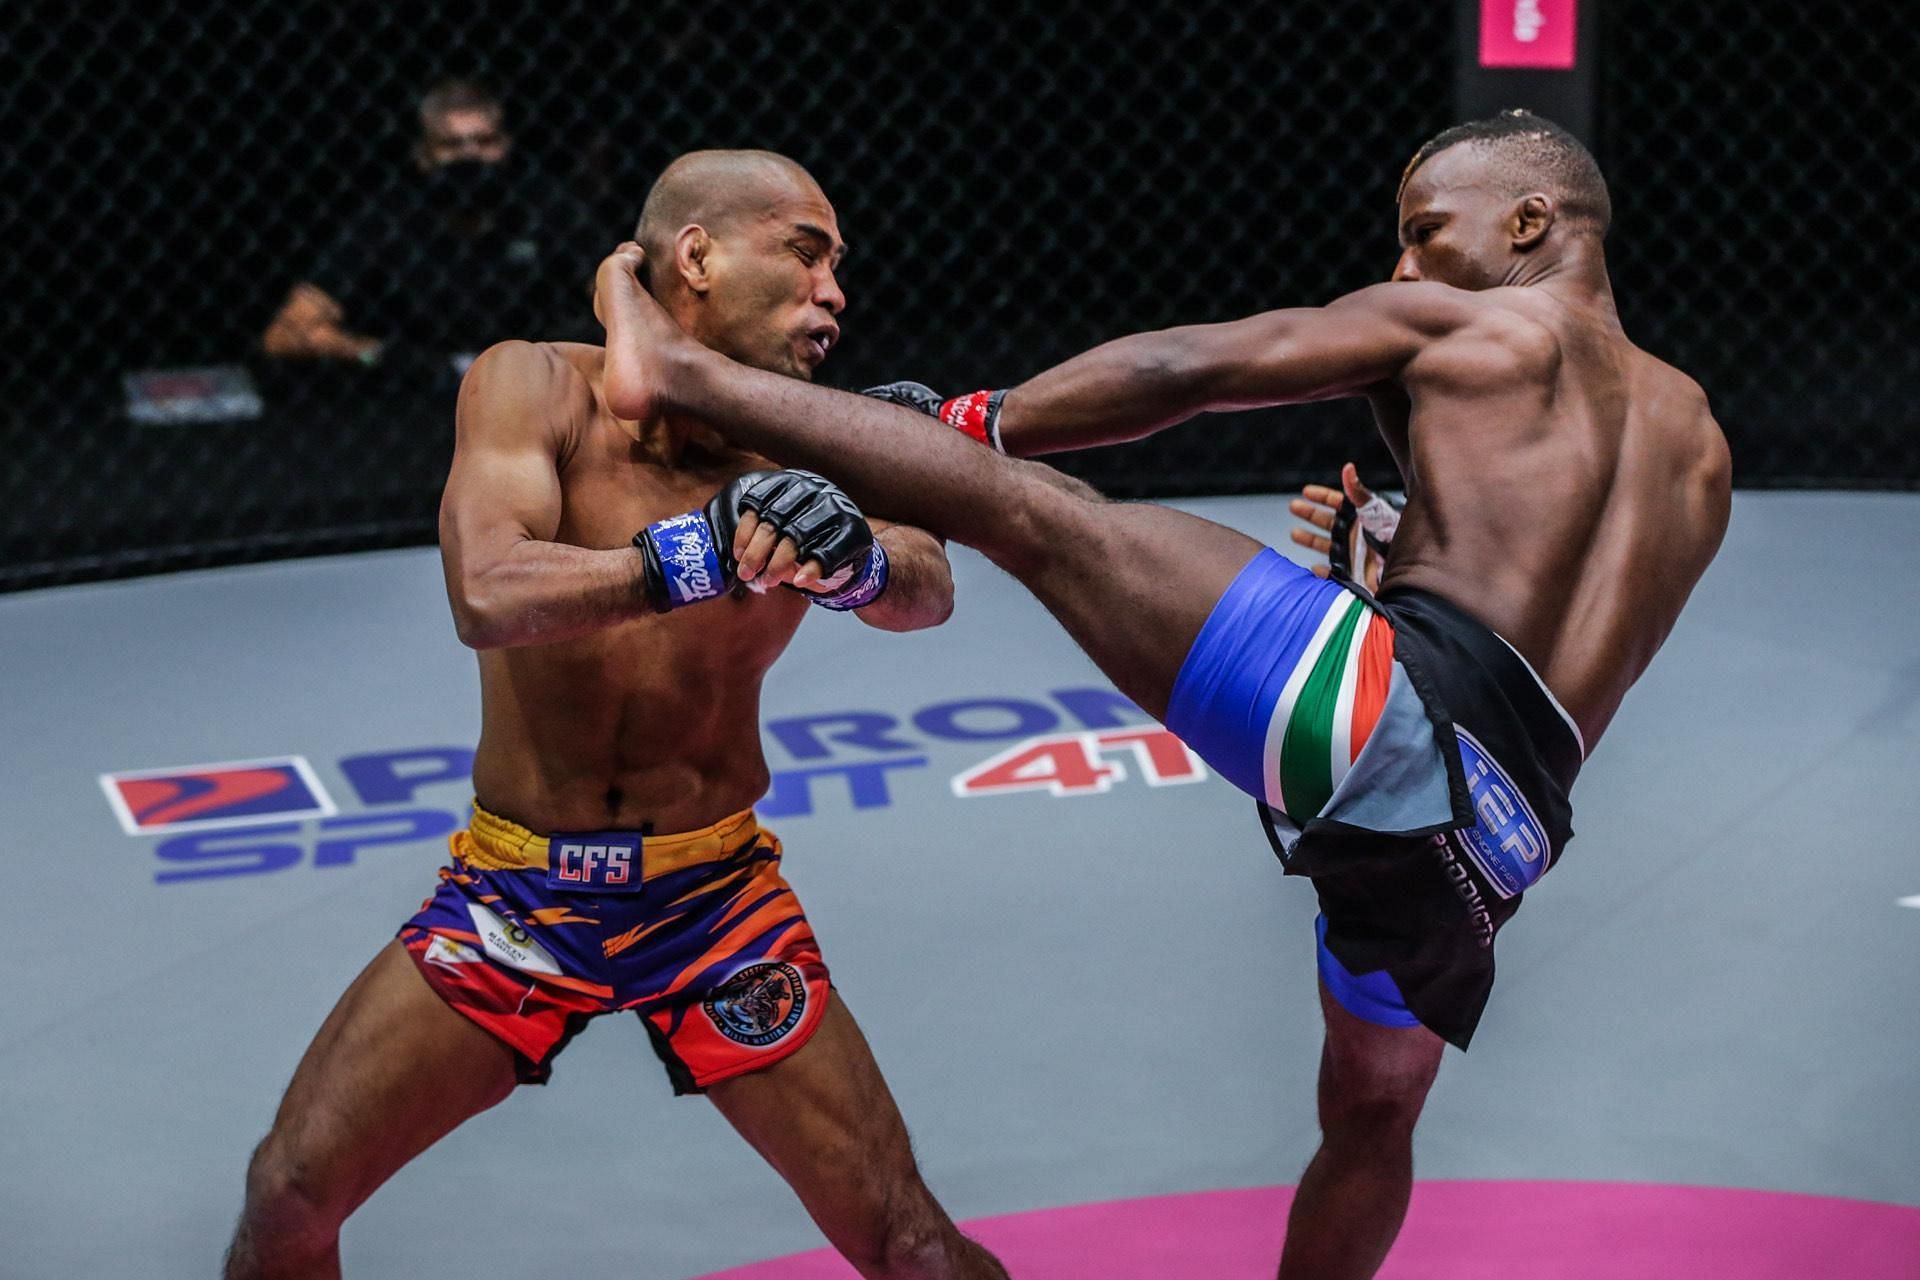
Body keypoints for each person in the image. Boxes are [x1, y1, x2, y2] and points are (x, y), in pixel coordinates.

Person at [591, 111, 1733, 1279]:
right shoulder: (1696, 440)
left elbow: (1191, 368)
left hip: (1390, 715)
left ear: (1532, 221)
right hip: (1499, 833)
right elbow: (1541, 653)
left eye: (1428, 231)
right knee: (1374, 1116)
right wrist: (1393, 570)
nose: (1404, 266)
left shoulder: (1475, 321)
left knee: (1037, 512)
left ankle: (684, 373)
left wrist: (971, 421)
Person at [226, 149, 1008, 1280]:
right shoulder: (533, 383)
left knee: (913, 1244)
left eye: (840, 267)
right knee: (287, 1195)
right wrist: (691, 557)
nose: (835, 290)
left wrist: (852, 562)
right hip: (515, 894)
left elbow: (926, 585)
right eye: (806, 252)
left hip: (714, 900)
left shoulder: (811, 436)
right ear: (697, 254)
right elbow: (488, 592)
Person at [261, 79, 599, 364]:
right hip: (418, 396)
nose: (470, 155)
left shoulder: (544, 203)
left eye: (484, 142)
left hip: (536, 381)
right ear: (424, 155)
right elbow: (285, 333)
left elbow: (613, 296)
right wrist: (382, 357)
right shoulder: (390, 215)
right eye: (452, 144)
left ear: (505, 146)